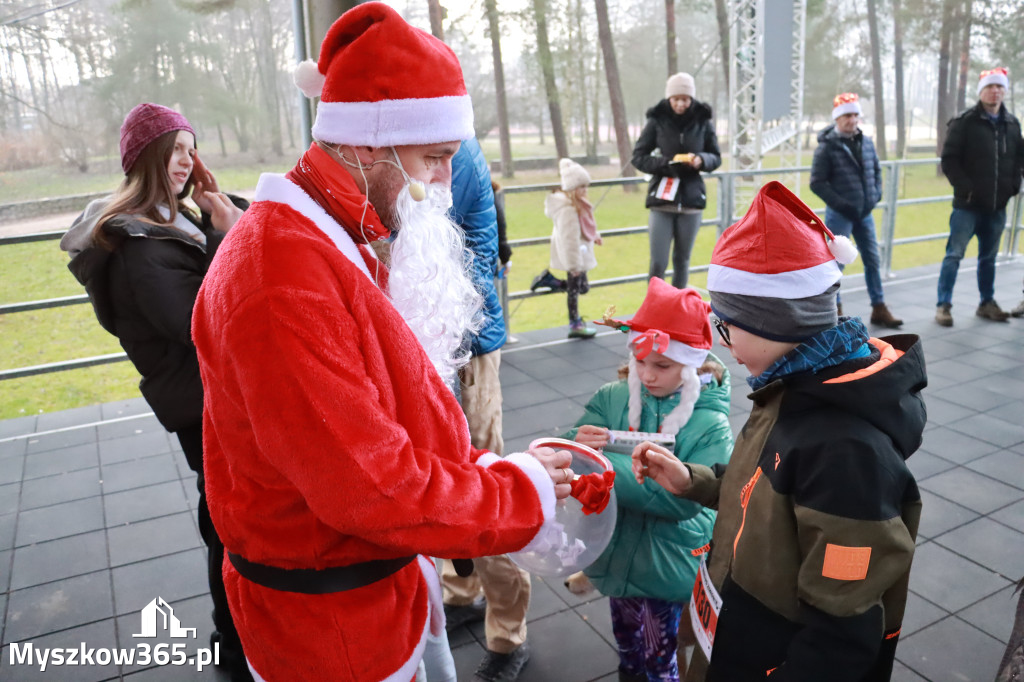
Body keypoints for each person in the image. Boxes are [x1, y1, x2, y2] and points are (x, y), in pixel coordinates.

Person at [190, 5, 574, 681]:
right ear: (369, 145)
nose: (444, 188)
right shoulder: (282, 280)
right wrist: (519, 494)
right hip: (332, 630)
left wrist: (488, 472)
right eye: (435, 160)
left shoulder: (337, 233)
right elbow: (371, 487)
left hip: (376, 583)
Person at [633, 181, 926, 682]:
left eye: (725, 327)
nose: (722, 345)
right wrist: (695, 482)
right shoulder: (790, 386)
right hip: (739, 631)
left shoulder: (845, 451)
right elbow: (765, 494)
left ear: (775, 323)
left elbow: (841, 632)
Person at [59, 103, 250, 681]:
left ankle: (236, 629)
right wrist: (222, 236)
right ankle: (233, 639)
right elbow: (201, 318)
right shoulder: (142, 243)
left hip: (207, 393)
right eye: (174, 151)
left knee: (225, 510)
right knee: (226, 517)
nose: (185, 162)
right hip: (199, 400)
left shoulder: (172, 218)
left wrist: (224, 206)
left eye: (191, 150)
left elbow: (240, 241)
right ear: (145, 159)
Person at [565, 279, 733, 682]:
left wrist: (602, 463)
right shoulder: (612, 396)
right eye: (641, 361)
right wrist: (576, 445)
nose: (648, 374)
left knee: (662, 655)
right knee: (626, 642)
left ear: (694, 364)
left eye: (663, 365)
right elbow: (570, 458)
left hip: (669, 561)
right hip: (616, 551)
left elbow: (682, 500)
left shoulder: (711, 423)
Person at [442, 136, 533, 682]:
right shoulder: (388, 142)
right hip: (425, 349)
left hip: (464, 348)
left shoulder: (449, 147)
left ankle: (508, 630)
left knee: (483, 482)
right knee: (442, 481)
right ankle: (461, 592)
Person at [936, 66, 1024, 326]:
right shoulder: (965, 122)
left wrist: (1013, 185)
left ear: (1004, 91)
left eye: (999, 87)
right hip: (967, 206)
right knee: (954, 255)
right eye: (990, 87)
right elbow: (949, 160)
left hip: (997, 206)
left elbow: (1019, 158)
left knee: (989, 257)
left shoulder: (1012, 123)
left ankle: (986, 302)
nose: (995, 91)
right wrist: (967, 189)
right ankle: (943, 306)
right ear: (981, 91)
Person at [810, 92, 902, 328]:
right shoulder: (826, 147)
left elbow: (876, 171)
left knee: (872, 258)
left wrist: (875, 195)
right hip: (840, 215)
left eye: (854, 115)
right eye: (847, 115)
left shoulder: (867, 142)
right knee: (835, 265)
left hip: (864, 213)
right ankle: (834, 311)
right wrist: (841, 204)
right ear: (837, 118)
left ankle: (879, 307)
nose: (852, 120)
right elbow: (817, 182)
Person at [631, 72, 721, 289]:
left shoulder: (703, 120)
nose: (681, 104)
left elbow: (716, 156)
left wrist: (701, 160)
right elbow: (638, 157)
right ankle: (654, 307)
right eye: (676, 99)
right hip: (662, 200)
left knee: (682, 261)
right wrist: (665, 164)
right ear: (669, 98)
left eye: (685, 99)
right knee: (658, 262)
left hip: (691, 200)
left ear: (691, 99)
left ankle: (678, 310)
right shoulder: (657, 120)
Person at [544, 157, 603, 338]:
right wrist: (574, 266)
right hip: (574, 258)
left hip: (580, 254)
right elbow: (569, 240)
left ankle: (549, 281)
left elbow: (586, 226)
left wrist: (595, 236)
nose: (585, 191)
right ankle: (575, 324)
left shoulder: (579, 205)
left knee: (581, 288)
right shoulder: (568, 210)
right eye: (581, 187)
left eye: (586, 186)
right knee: (575, 290)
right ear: (571, 188)